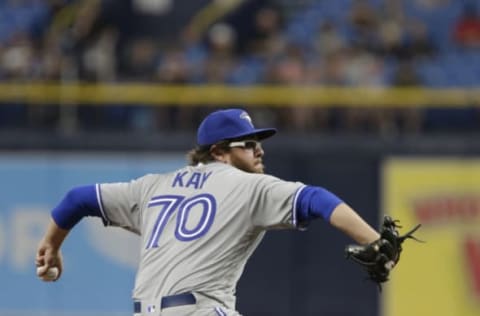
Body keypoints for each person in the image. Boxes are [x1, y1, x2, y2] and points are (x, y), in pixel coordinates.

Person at [36, 108, 380, 316]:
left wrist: (51, 246)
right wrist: (374, 240)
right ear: (218, 152)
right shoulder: (248, 185)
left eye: (259, 143)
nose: (259, 151)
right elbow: (316, 199)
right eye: (247, 144)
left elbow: (76, 199)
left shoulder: (152, 185)